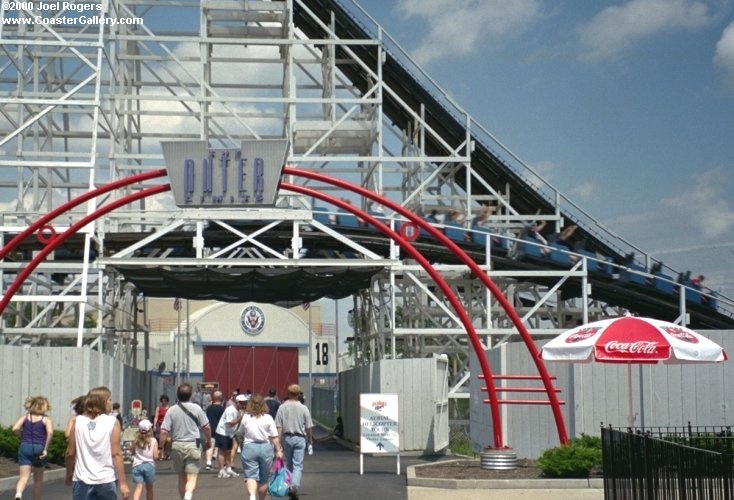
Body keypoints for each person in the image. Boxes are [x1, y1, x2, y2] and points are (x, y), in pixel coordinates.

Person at [65, 386, 130, 500]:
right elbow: (116, 454)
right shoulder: (112, 422)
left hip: (82, 479)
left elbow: (70, 453)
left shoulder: (78, 422)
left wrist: (69, 473)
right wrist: (123, 483)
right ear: (102, 402)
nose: (111, 403)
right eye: (109, 400)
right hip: (106, 479)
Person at [158, 383, 212, 500]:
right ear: (191, 395)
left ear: (177, 395)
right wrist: (208, 440)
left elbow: (163, 431)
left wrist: (160, 448)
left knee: (181, 476)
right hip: (193, 444)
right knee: (192, 476)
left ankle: (183, 497)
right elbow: (206, 427)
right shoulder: (197, 408)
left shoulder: (171, 410)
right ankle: (188, 496)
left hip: (177, 444)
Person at [237, 394, 284, 500]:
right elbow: (274, 437)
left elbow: (240, 433)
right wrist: (278, 450)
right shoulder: (268, 418)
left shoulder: (246, 417)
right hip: (265, 448)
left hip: (249, 447)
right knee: (264, 478)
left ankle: (252, 496)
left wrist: (240, 444)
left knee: (250, 475)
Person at [275, 384, 314, 500]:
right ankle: (294, 486)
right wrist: (310, 439)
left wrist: (278, 443)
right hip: (300, 438)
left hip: (287, 437)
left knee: (289, 464)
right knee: (298, 464)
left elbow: (279, 426)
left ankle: (290, 483)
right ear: (299, 394)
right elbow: (308, 427)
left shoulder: (282, 407)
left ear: (288, 393)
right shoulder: (304, 408)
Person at [11, 395, 54, 500]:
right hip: (39, 448)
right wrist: (45, 448)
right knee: (38, 480)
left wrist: (22, 437)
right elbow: (50, 432)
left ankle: (18, 494)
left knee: (24, 477)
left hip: (25, 446)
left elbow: (15, 428)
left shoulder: (26, 417)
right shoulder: (46, 419)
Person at [214, 393, 246, 478]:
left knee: (228, 451)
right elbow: (230, 423)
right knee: (222, 451)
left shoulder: (238, 411)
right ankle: (221, 470)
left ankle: (228, 469)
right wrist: (240, 418)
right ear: (237, 402)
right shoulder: (230, 410)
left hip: (229, 433)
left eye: (245, 403)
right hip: (222, 432)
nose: (244, 405)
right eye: (242, 403)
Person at [130, 419, 159, 500]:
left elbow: (133, 452)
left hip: (137, 465)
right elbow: (155, 456)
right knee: (149, 488)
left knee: (138, 487)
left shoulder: (136, 440)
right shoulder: (153, 441)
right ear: (150, 430)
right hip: (149, 465)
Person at [204, 390, 225, 471]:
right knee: (221, 448)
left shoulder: (209, 408)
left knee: (209, 446)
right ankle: (223, 463)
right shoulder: (222, 409)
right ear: (221, 398)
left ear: (213, 398)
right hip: (220, 430)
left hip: (210, 429)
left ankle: (208, 463)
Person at [152, 395, 171, 460]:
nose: (164, 402)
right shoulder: (158, 408)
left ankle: (167, 453)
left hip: (168, 425)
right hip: (160, 425)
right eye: (162, 401)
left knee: (168, 440)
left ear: (167, 401)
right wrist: (154, 425)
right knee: (161, 440)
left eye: (165, 401)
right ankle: (161, 455)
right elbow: (156, 417)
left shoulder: (169, 408)